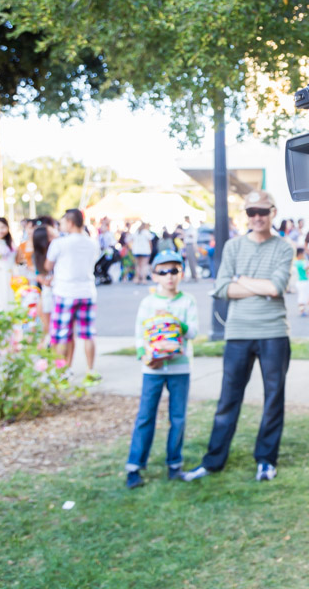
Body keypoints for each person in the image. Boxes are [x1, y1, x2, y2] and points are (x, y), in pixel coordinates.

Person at [184, 190, 294, 483]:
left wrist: (241, 280)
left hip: (273, 333)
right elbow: (221, 289)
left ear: (273, 211)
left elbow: (277, 287)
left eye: (262, 211)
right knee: (228, 400)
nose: (257, 217)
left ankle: (266, 460)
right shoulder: (233, 247)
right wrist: (258, 285)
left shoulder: (284, 247)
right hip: (238, 332)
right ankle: (213, 461)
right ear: (245, 215)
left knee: (273, 399)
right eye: (251, 212)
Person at [125, 250, 200, 489]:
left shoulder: (187, 301)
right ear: (154, 275)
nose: (169, 276)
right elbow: (139, 335)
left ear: (181, 273)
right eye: (163, 272)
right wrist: (144, 356)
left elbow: (194, 333)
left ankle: (174, 464)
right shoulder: (148, 303)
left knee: (177, 418)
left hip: (180, 368)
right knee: (145, 416)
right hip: (153, 370)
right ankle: (135, 466)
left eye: (174, 271)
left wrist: (177, 323)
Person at [45, 209, 100, 370]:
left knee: (61, 335)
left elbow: (48, 265)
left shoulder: (60, 243)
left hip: (64, 292)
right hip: (87, 292)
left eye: (62, 223)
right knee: (89, 335)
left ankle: (61, 372)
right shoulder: (92, 243)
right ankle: (91, 371)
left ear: (70, 223)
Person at [31, 220, 59, 343]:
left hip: (58, 290)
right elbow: (39, 275)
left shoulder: (59, 250)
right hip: (47, 292)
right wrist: (44, 280)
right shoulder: (37, 256)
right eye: (52, 234)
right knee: (45, 325)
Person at [182, 215, 201, 281]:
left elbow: (192, 235)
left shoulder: (191, 228)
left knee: (192, 261)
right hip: (189, 245)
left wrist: (183, 234)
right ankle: (193, 275)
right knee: (190, 261)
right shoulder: (189, 228)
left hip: (191, 245)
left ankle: (194, 276)